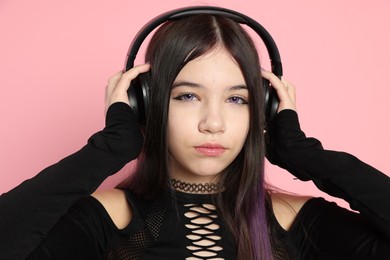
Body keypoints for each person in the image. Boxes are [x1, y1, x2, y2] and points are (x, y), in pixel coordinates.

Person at [1, 9, 389, 260]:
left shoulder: (295, 221)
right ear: (147, 104)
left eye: (238, 100)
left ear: (264, 110)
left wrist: (303, 152)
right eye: (188, 96)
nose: (214, 123)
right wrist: (109, 147)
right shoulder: (110, 219)